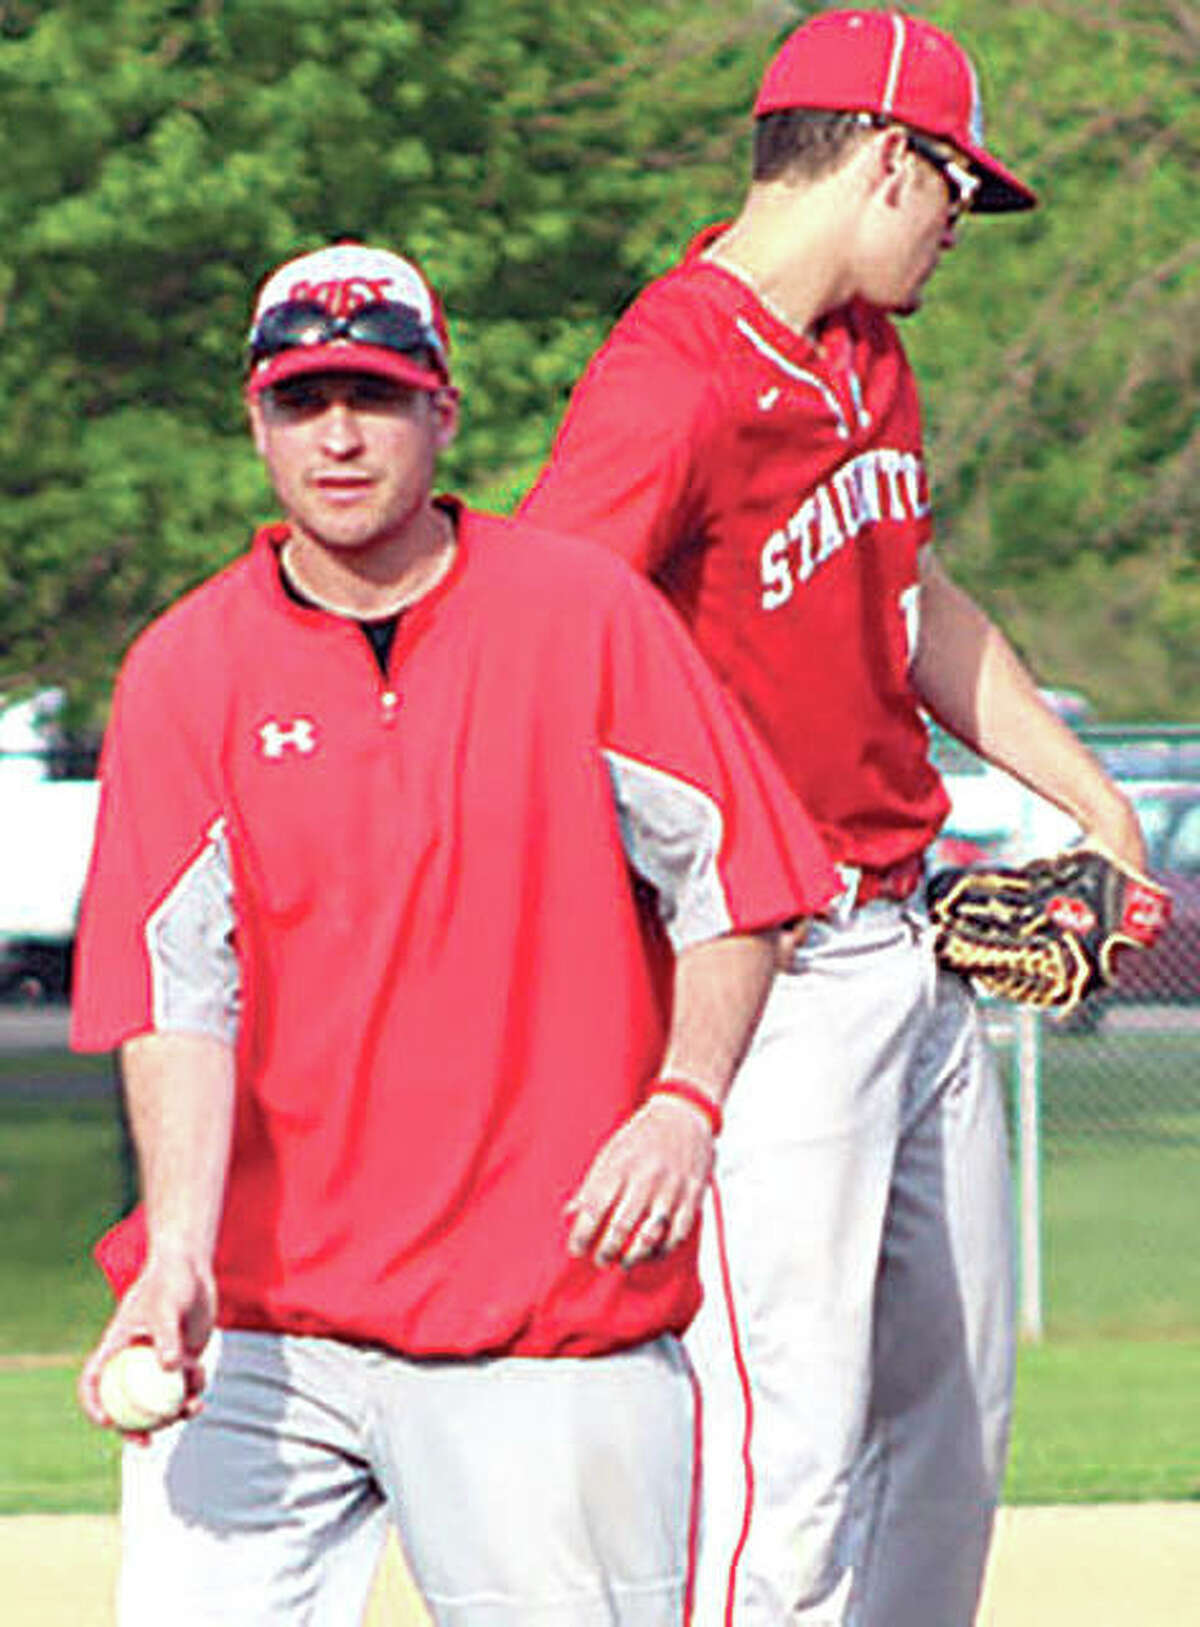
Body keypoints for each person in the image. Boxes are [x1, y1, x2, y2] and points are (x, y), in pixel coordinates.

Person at [72, 240, 838, 1627]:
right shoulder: (187, 671)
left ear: (445, 412)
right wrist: (177, 1246)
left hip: (545, 1312)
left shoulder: (584, 616)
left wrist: (684, 1103)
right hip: (260, 1327)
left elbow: (741, 884)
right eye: (304, 403)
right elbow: (178, 992)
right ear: (257, 422)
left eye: (375, 394)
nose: (341, 436)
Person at [520, 11, 1147, 1626]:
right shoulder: (672, 374)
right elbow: (545, 639)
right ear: (886, 159)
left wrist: (1091, 807)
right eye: (954, 188)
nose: (958, 222)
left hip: (916, 943)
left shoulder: (868, 355)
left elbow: (911, 594)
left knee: (951, 1424)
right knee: (783, 1447)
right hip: (771, 980)